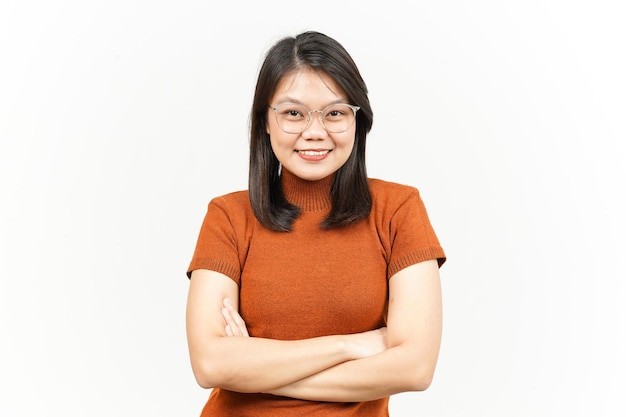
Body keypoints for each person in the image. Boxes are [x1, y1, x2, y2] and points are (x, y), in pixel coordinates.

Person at [185, 30, 446, 416]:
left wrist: (256, 369)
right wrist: (350, 345)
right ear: (266, 122)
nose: (314, 131)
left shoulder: (398, 209)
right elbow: (210, 365)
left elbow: (415, 368)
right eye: (293, 113)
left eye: (335, 112)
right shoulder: (228, 217)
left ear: (358, 121)